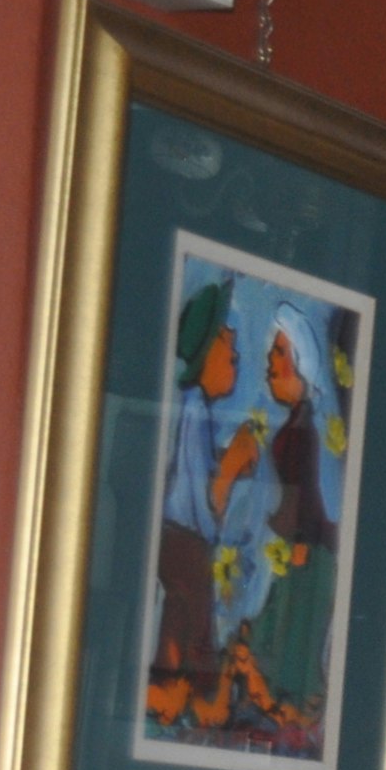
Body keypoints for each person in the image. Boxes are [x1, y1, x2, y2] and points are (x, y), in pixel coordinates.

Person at [149, 282, 268, 732]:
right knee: (195, 644)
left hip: (182, 544)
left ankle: (170, 707)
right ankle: (191, 710)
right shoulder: (194, 412)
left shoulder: (193, 411)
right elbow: (205, 506)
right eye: (225, 339)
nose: (235, 350)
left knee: (178, 633)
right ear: (203, 355)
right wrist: (232, 465)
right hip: (186, 546)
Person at [246, 302, 348, 734]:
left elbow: (312, 499)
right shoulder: (295, 426)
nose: (270, 363)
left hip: (307, 557)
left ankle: (295, 719)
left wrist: (292, 537)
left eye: (279, 353)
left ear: (302, 365)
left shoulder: (306, 431)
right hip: (300, 553)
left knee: (294, 648)